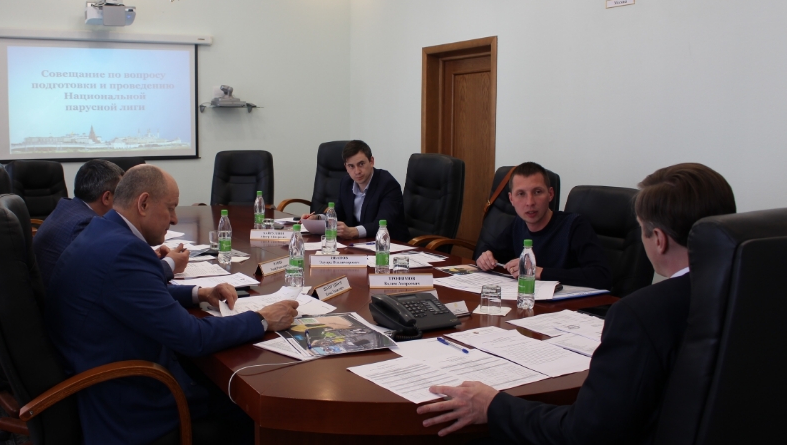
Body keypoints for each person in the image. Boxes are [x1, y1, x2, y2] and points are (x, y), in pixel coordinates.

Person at [417, 163, 737, 445]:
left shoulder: (639, 314)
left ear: (659, 239)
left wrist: (493, 406)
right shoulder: (745, 294)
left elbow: (585, 432)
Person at [46, 165, 299, 445]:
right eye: (171, 208)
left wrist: (199, 293)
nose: (175, 219)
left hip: (102, 381)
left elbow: (134, 293)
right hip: (132, 406)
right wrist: (261, 318)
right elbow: (193, 338)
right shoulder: (124, 251)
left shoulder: (102, 230)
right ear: (143, 203)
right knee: (254, 411)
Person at [33, 159, 188, 289]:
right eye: (121, 194)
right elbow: (125, 280)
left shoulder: (68, 209)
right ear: (107, 197)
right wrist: (170, 264)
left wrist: (145, 258)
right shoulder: (85, 225)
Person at [476, 162, 612, 289]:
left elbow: (601, 275)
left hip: (572, 304)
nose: (530, 202)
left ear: (550, 194)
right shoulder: (519, 224)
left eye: (537, 192)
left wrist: (540, 272)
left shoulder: (575, 226)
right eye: (521, 194)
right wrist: (485, 257)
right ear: (511, 199)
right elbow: (491, 249)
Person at [302, 140, 411, 242]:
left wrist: (353, 232)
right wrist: (318, 218)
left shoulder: (388, 184)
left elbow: (383, 224)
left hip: (390, 244)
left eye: (361, 164)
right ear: (346, 167)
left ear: (371, 161)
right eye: (351, 166)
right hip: (360, 243)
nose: (357, 171)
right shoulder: (346, 182)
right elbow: (339, 212)